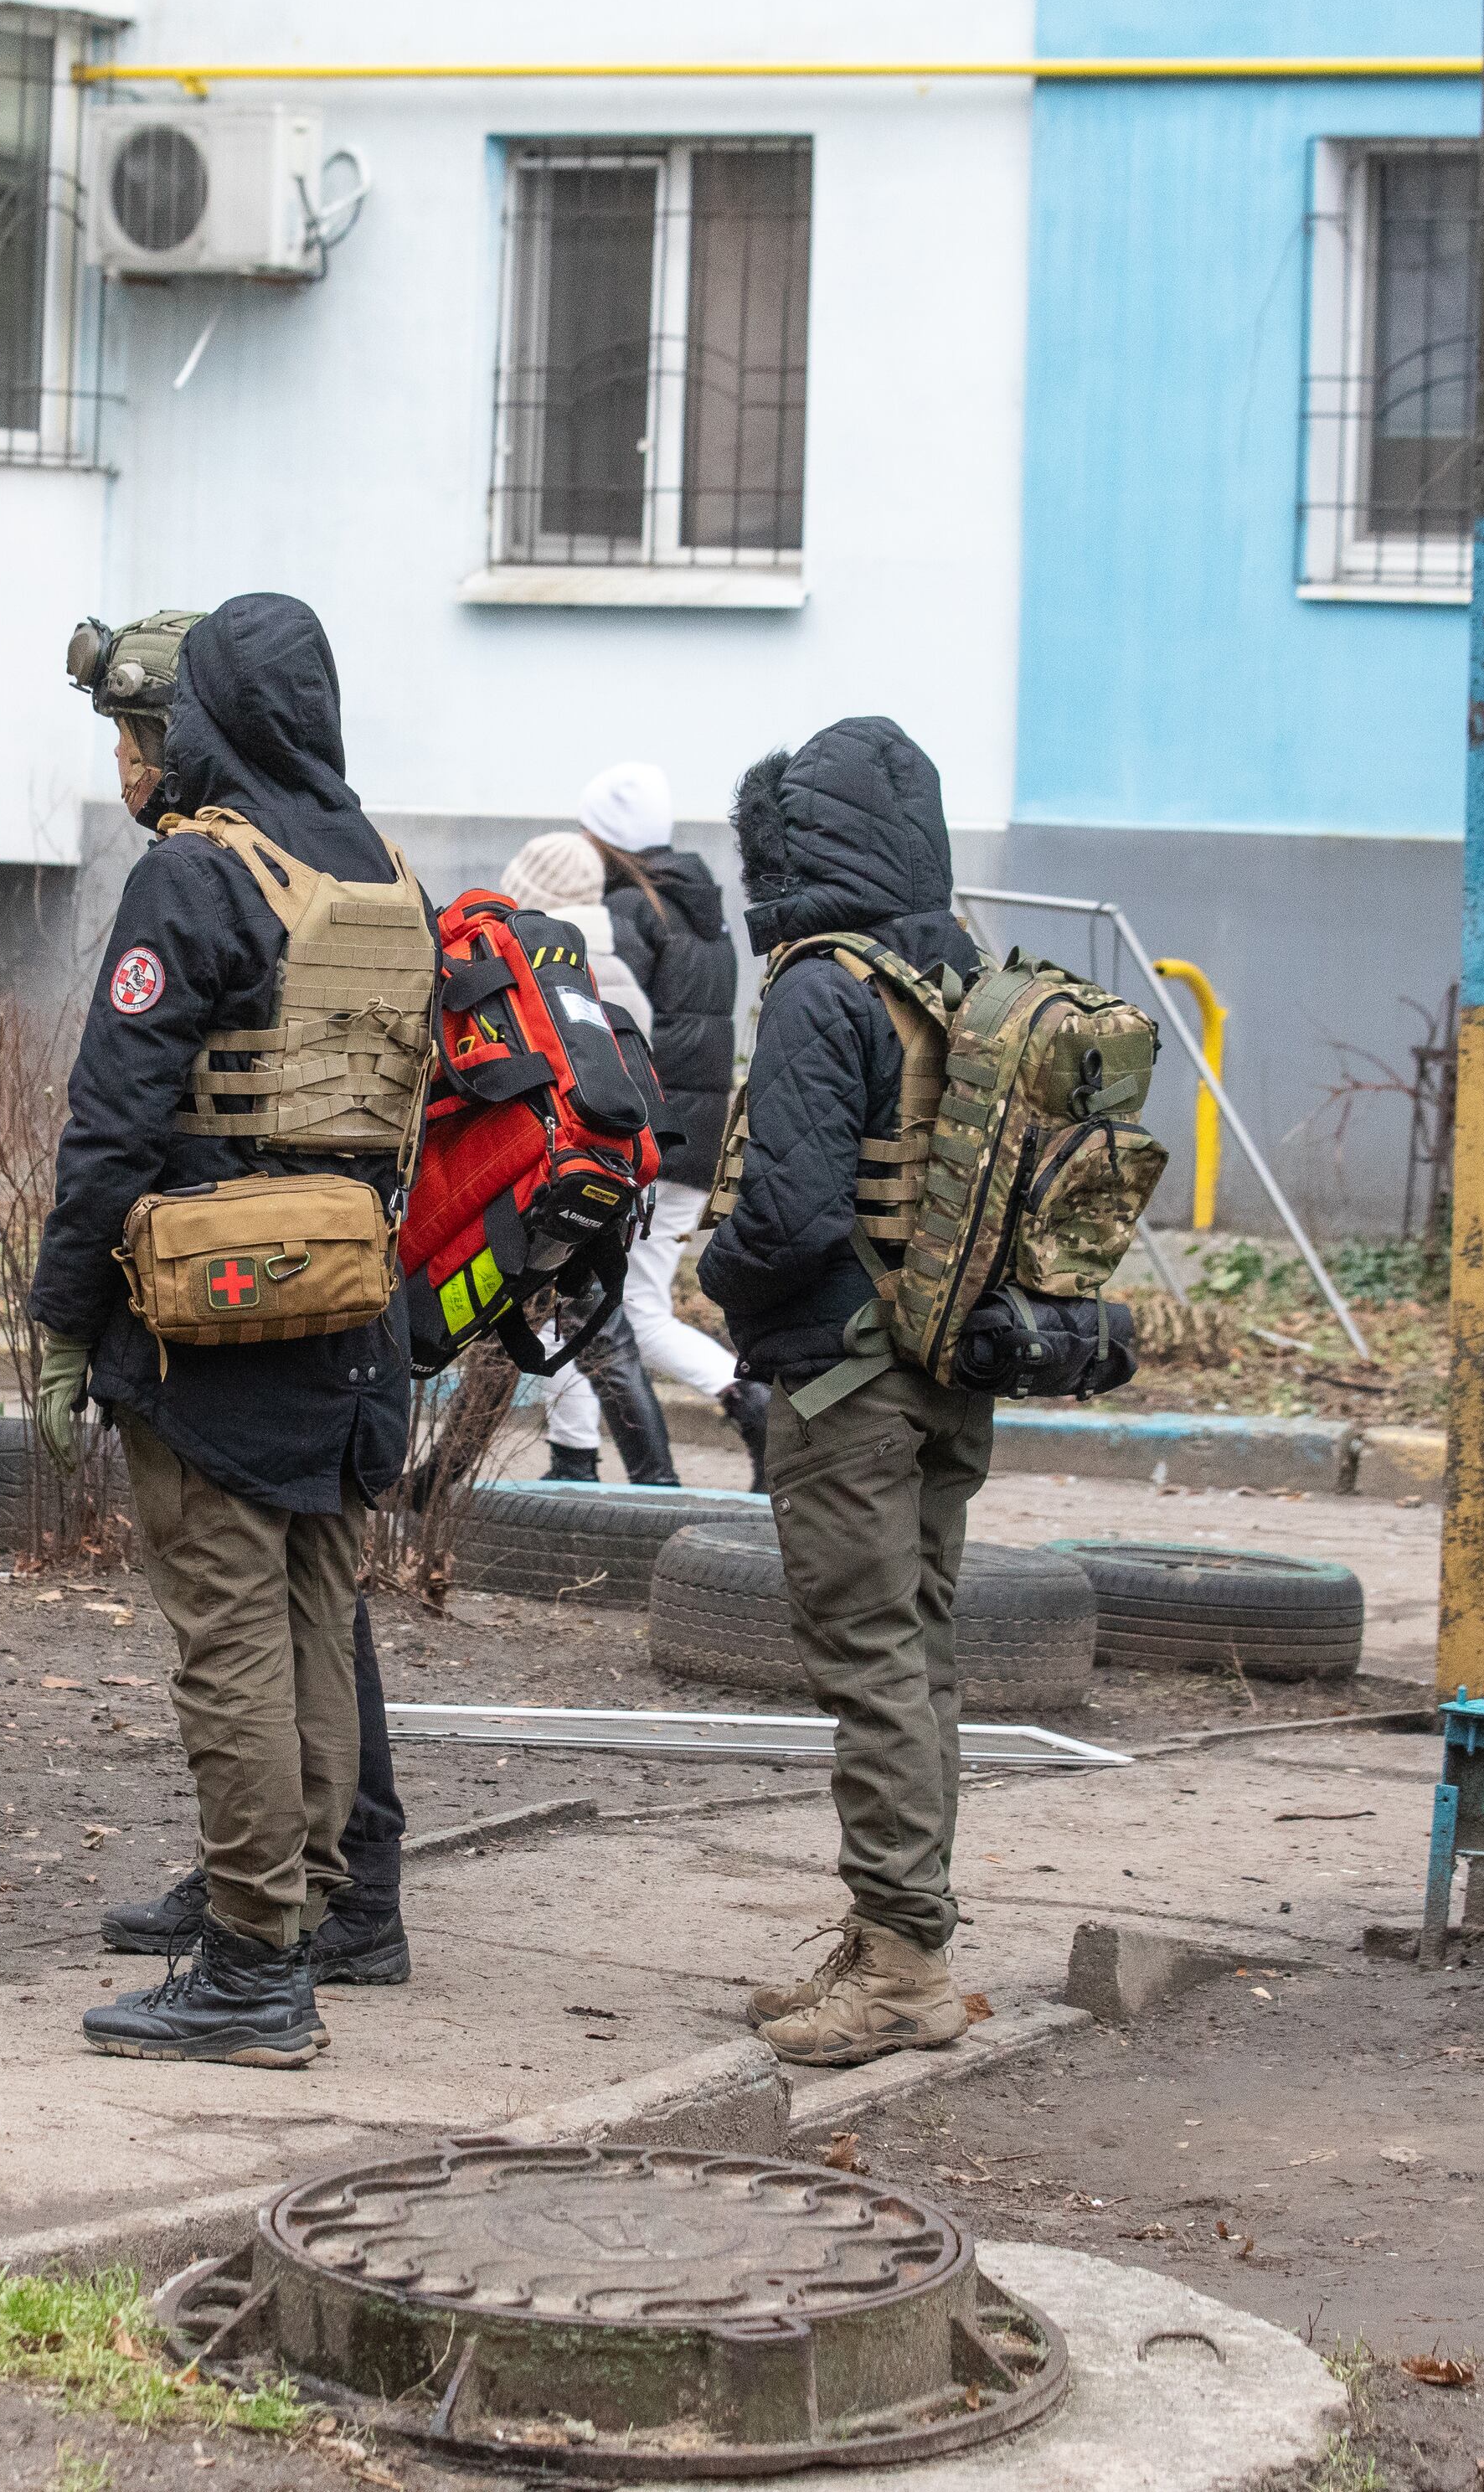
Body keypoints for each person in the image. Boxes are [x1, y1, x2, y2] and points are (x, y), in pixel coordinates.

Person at [34, 595, 433, 2067]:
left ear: (205, 716)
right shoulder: (384, 870)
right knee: (314, 1620)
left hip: (210, 1322)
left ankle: (255, 1965)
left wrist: (60, 1319)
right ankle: (306, 1914)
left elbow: (113, 1123)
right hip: (353, 1316)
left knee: (230, 1643)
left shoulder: (197, 875)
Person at [698, 717, 991, 2068]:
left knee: (870, 1665)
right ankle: (894, 1933)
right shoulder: (958, 971)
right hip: (948, 1366)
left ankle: (904, 1967)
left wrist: (723, 1278)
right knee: (918, 1658)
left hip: (846, 1379)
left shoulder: (824, 985)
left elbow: (791, 1212)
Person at [580, 762, 771, 1488]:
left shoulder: (630, 913)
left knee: (626, 1308)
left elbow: (612, 1032)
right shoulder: (703, 912)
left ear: (603, 837)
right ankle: (572, 1455)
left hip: (646, 1145)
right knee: (587, 1305)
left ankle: (750, 1399)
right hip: (695, 1137)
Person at [499, 829, 683, 1488]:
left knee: (590, 1333)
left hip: (550, 1179)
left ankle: (654, 1480)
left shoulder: (545, 973)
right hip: (604, 1180)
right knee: (577, 1326)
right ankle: (585, 1460)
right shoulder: (616, 967)